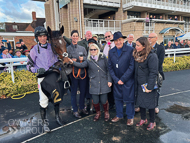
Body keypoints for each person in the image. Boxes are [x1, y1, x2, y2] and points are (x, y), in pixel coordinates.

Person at [27, 26, 63, 132]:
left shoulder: (52, 47)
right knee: (43, 101)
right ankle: (44, 123)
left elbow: (58, 58)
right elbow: (28, 66)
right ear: (37, 38)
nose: (42, 38)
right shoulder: (34, 50)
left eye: (44, 36)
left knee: (57, 98)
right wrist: (37, 70)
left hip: (53, 77)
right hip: (42, 78)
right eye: (40, 36)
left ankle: (57, 117)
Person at [69, 44, 112, 122]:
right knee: (95, 101)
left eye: (94, 49)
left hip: (103, 82)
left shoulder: (103, 57)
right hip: (94, 82)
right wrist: (72, 62)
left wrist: (109, 80)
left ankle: (106, 113)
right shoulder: (88, 60)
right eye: (91, 50)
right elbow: (81, 65)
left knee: (103, 100)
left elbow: (108, 69)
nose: (93, 51)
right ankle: (98, 113)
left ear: (97, 49)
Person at [108, 32, 135, 125]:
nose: (118, 42)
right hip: (116, 80)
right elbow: (110, 67)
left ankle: (130, 117)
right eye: (116, 40)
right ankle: (119, 115)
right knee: (118, 99)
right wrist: (116, 79)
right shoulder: (111, 52)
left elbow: (132, 66)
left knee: (129, 99)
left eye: (120, 40)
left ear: (123, 40)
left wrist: (123, 79)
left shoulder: (130, 50)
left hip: (128, 80)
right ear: (114, 42)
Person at [133, 37, 158, 131]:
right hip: (139, 83)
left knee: (151, 104)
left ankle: (152, 121)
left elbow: (153, 72)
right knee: (141, 102)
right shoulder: (137, 54)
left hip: (148, 84)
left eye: (138, 45)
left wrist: (150, 86)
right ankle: (143, 119)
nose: (136, 47)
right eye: (136, 45)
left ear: (144, 46)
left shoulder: (152, 56)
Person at [67, 30, 88, 118]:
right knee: (74, 93)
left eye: (76, 36)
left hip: (82, 73)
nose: (75, 37)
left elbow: (87, 58)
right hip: (73, 74)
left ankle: (82, 107)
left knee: (83, 92)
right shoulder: (67, 49)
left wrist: (83, 58)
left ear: (78, 37)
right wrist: (70, 61)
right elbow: (65, 61)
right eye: (73, 36)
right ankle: (75, 110)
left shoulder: (82, 48)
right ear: (71, 37)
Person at [148, 33, 165, 114]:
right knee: (147, 89)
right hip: (147, 73)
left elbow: (160, 61)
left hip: (157, 73)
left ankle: (155, 106)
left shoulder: (160, 48)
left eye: (151, 37)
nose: (149, 39)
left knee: (156, 90)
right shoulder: (147, 48)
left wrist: (153, 70)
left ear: (156, 38)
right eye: (148, 37)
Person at [103, 31, 115, 109]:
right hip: (108, 69)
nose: (108, 38)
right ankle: (111, 103)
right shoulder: (105, 46)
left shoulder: (116, 44)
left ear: (112, 36)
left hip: (116, 69)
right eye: (106, 37)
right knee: (109, 88)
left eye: (109, 36)